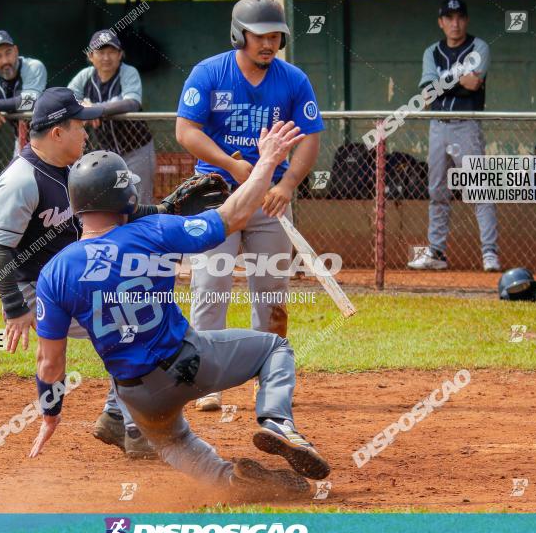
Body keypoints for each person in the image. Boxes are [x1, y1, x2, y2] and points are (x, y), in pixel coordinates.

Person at [30, 120, 330, 495]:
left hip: (136, 397)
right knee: (275, 348)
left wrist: (50, 413)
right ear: (123, 198)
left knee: (174, 442)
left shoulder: (54, 272)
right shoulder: (153, 230)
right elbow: (235, 214)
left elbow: (50, 364)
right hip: (189, 362)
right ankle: (276, 423)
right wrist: (268, 160)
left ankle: (228, 481)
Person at [0, 87, 181, 459]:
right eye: (80, 125)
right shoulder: (21, 180)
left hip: (74, 281)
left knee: (133, 317)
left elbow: (115, 212)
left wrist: (168, 208)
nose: (88, 133)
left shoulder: (71, 170)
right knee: (132, 323)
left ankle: (115, 416)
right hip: (39, 288)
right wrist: (15, 306)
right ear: (57, 132)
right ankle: (135, 427)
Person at [175, 0, 323, 411]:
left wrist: (288, 183)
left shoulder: (293, 80)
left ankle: (270, 381)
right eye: (261, 36)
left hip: (270, 200)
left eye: (276, 36)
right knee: (210, 286)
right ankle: (206, 381)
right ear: (240, 34)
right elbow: (186, 130)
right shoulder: (209, 72)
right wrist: (229, 165)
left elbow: (310, 136)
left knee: (272, 291)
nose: (269, 44)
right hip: (216, 194)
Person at [407, 0, 500, 272]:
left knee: (479, 189)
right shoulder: (431, 52)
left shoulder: (478, 47)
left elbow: (474, 84)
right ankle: (436, 253)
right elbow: (426, 94)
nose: (455, 23)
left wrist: (443, 84)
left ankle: (490, 253)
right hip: (438, 126)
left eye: (459, 17)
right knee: (437, 192)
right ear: (441, 22)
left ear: (466, 20)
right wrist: (458, 80)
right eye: (449, 18)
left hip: (466, 125)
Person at [67, 30, 156, 203]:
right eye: (100, 52)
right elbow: (66, 99)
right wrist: (83, 107)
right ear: (91, 56)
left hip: (136, 150)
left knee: (139, 200)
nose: (106, 57)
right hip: (107, 154)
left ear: (120, 54)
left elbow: (132, 103)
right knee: (111, 201)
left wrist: (95, 110)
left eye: (111, 52)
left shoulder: (128, 72)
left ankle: (143, 230)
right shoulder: (85, 77)